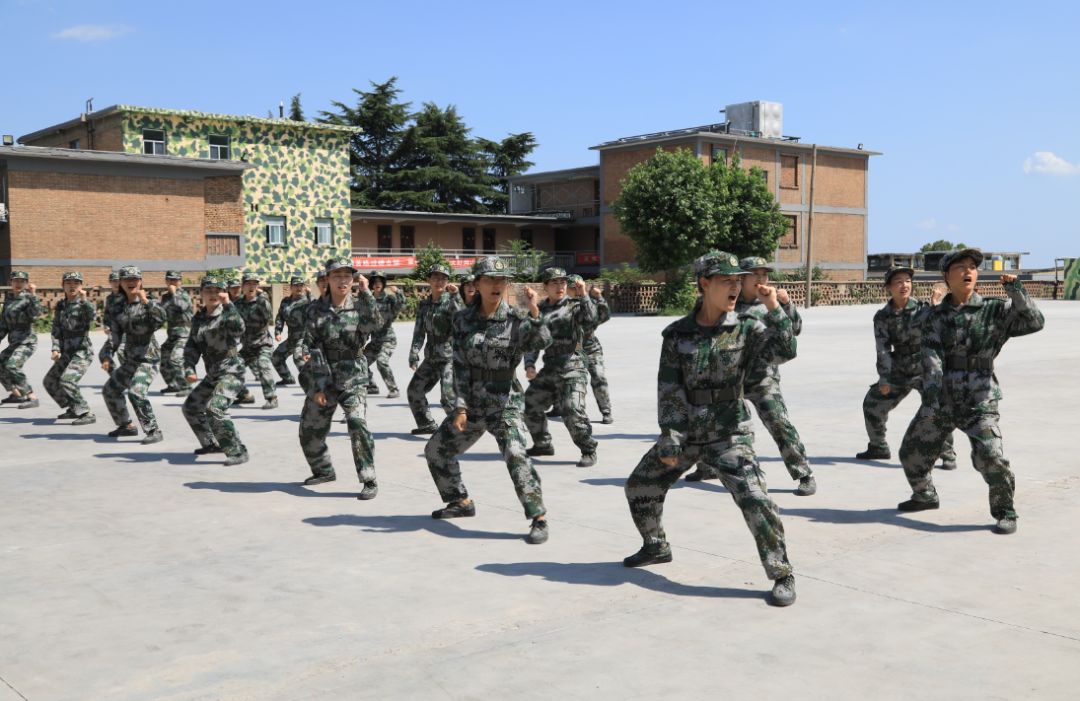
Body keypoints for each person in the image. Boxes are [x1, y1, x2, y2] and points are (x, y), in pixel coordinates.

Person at [623, 251, 798, 607]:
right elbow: (669, 388)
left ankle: (782, 572)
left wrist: (775, 309)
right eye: (726, 281)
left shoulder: (749, 327)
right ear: (704, 284)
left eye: (737, 281)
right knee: (640, 485)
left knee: (755, 499)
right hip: (687, 432)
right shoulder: (676, 334)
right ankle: (656, 545)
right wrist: (670, 436)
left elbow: (786, 350)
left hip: (729, 432)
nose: (735, 287)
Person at [896, 249, 1045, 535]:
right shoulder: (933, 316)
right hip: (943, 398)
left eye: (972, 267)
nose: (968, 271)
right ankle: (925, 495)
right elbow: (931, 358)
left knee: (990, 457)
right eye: (960, 267)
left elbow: (1035, 322)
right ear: (946, 276)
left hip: (980, 398)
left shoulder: (993, 310)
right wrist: (931, 401)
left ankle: (1005, 511)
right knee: (911, 453)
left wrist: (1017, 291)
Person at [423, 256, 553, 544]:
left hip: (505, 400)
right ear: (477, 284)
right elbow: (458, 364)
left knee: (516, 454)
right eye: (490, 280)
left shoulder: (516, 318)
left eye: (501, 280)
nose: (496, 285)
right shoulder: (462, 320)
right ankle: (460, 501)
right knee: (436, 450)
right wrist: (459, 405)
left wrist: (534, 311)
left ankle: (538, 517)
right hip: (472, 403)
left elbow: (542, 340)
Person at [686, 257, 816, 496]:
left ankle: (804, 473)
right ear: (741, 279)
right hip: (729, 376)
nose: (760, 279)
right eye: (754, 275)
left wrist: (786, 305)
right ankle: (706, 466)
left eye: (764, 275)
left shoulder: (769, 304)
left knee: (778, 422)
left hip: (762, 376)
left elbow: (794, 330)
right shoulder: (726, 302)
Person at [297, 259, 383, 500]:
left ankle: (368, 477)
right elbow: (307, 344)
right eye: (337, 275)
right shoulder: (315, 309)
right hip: (324, 374)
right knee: (309, 429)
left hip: (353, 374)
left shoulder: (360, 304)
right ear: (327, 279)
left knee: (357, 423)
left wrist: (366, 292)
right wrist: (314, 385)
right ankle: (323, 470)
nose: (343, 280)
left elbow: (376, 324)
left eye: (347, 275)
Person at [855, 266, 956, 469]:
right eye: (899, 281)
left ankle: (947, 454)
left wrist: (937, 306)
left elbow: (946, 327)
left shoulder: (923, 309)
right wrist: (884, 378)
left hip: (924, 365)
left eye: (907, 281)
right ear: (889, 287)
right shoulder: (882, 316)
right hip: (899, 368)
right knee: (872, 404)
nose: (904, 285)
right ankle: (878, 447)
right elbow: (882, 349)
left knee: (937, 406)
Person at [523, 267, 599, 467]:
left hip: (573, 365)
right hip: (551, 366)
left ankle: (588, 449)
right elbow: (533, 340)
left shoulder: (575, 305)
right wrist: (529, 364)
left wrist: (583, 295)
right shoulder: (539, 308)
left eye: (563, 282)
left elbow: (591, 320)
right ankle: (543, 444)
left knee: (572, 410)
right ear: (545, 286)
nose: (560, 286)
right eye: (554, 283)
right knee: (530, 404)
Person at [182, 276, 250, 465]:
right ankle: (212, 443)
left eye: (217, 291)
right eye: (208, 291)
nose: (213, 294)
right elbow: (192, 346)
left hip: (232, 370)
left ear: (224, 293)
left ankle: (237, 451)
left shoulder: (228, 313)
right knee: (191, 407)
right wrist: (189, 368)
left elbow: (239, 328)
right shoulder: (199, 318)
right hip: (213, 373)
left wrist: (229, 305)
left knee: (215, 408)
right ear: (201, 293)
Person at [101, 266, 167, 443]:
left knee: (136, 392)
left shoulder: (148, 301)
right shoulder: (118, 306)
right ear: (120, 283)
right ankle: (126, 426)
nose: (131, 282)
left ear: (140, 282)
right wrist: (107, 355)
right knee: (110, 390)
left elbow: (161, 319)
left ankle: (153, 430)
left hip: (148, 358)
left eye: (135, 279)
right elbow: (114, 334)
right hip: (131, 359)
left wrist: (146, 302)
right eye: (126, 279)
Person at [407, 265, 460, 434]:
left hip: (449, 357)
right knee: (414, 391)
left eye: (443, 278)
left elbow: (464, 320)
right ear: (429, 280)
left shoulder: (452, 301)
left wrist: (456, 296)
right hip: (431, 357)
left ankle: (458, 430)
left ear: (448, 281)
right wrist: (414, 352)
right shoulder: (424, 305)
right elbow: (419, 331)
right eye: (435, 277)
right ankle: (426, 424)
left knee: (448, 398)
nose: (439, 281)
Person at [43, 271, 97, 424]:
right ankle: (73, 407)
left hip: (82, 352)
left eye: (76, 283)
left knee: (67, 380)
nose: (72, 286)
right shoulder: (61, 305)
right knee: (50, 381)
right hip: (66, 351)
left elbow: (92, 318)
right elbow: (56, 329)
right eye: (68, 283)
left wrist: (84, 300)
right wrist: (55, 348)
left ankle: (86, 412)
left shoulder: (84, 304)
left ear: (81, 286)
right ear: (63, 286)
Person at [567, 273, 613, 424]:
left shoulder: (588, 303)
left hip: (591, 348)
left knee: (599, 377)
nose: (576, 291)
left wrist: (599, 298)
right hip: (571, 350)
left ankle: (606, 411)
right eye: (572, 288)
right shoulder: (562, 305)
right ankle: (559, 406)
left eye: (578, 288)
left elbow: (602, 317)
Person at [234, 272, 277, 409]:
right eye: (248, 284)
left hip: (263, 343)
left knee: (263, 364)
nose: (251, 286)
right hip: (247, 346)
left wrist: (263, 296)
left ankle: (272, 398)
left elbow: (268, 316)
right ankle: (244, 396)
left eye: (254, 283)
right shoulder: (238, 304)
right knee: (231, 367)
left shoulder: (262, 301)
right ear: (243, 286)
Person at [0, 270, 43, 408]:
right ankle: (16, 394)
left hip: (26, 342)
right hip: (14, 342)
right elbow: (4, 325)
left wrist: (34, 295)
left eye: (22, 281)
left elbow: (36, 315)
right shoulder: (9, 300)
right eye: (16, 280)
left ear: (26, 283)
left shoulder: (29, 298)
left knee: (13, 365)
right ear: (10, 282)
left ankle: (32, 397)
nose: (18, 283)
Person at [365, 270, 406, 398]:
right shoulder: (368, 300)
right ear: (371, 284)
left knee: (382, 361)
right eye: (375, 281)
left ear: (383, 283)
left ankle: (393, 389)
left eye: (380, 281)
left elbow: (402, 306)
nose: (377, 284)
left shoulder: (389, 299)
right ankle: (371, 386)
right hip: (375, 340)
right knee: (360, 362)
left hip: (388, 339)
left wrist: (398, 292)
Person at [159, 270, 194, 396]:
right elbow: (161, 314)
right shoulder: (165, 297)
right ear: (166, 281)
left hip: (185, 334)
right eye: (170, 280)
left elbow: (182, 307)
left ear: (180, 281)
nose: (173, 282)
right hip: (172, 334)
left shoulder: (184, 295)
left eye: (176, 280)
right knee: (163, 357)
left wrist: (174, 293)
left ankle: (186, 386)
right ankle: (173, 384)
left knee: (176, 358)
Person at [272, 275, 309, 387]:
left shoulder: (307, 301)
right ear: (290, 287)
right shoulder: (286, 302)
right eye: (296, 285)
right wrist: (278, 331)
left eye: (301, 285)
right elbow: (280, 317)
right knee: (276, 357)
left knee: (298, 357)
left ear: (304, 287)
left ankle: (311, 382)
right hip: (292, 337)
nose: (298, 288)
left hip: (304, 337)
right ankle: (287, 378)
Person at [98, 271, 126, 376]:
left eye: (118, 281)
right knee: (103, 354)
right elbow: (107, 315)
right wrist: (106, 326)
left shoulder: (126, 297)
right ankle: (117, 377)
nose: (116, 283)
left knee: (122, 354)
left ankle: (130, 378)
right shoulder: (109, 299)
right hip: (114, 333)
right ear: (110, 282)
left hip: (126, 333)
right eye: (113, 281)